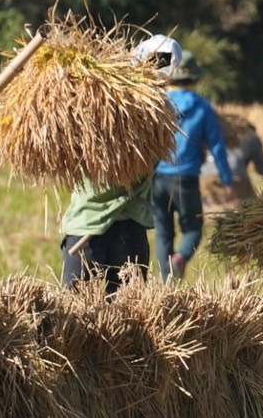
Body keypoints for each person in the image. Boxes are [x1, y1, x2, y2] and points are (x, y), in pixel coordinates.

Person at [60, 33, 179, 292]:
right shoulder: (159, 113)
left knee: (118, 313)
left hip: (103, 224)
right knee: (90, 315)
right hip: (105, 224)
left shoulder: (94, 100)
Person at [152, 53, 233, 280]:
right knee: (194, 230)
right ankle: (180, 260)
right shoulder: (202, 107)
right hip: (185, 179)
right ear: (194, 79)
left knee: (163, 232)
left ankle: (166, 280)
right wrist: (226, 181)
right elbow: (217, 146)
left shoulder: (159, 103)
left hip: (158, 178)